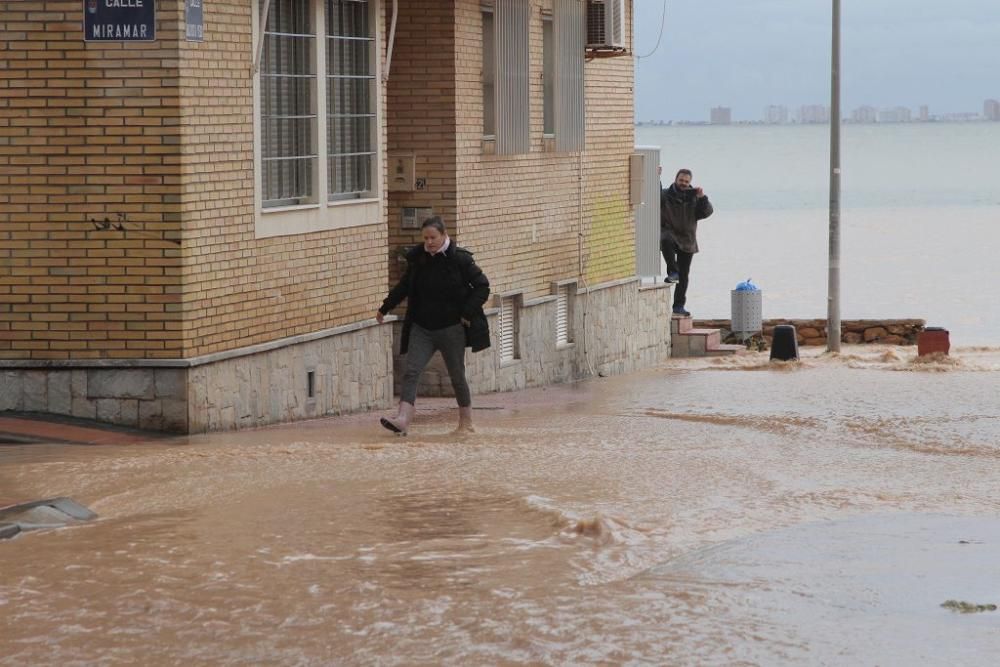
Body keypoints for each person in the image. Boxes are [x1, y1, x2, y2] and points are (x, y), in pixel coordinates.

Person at [375, 216, 491, 435]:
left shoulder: (460, 260)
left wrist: (467, 312)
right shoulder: (418, 258)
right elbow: (405, 286)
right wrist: (385, 307)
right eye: (425, 238)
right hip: (422, 328)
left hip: (451, 328)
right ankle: (402, 420)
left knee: (456, 375)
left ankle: (466, 423)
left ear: (444, 235)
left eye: (433, 237)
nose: (429, 242)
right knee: (411, 371)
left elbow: (482, 287)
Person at [660, 168, 714, 317]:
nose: (683, 184)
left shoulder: (694, 197)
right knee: (665, 239)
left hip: (687, 239)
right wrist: (655, 177)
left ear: (690, 182)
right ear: (675, 180)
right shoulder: (665, 195)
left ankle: (678, 306)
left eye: (686, 182)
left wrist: (702, 197)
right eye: (681, 180)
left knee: (684, 275)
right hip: (669, 233)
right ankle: (672, 270)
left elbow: (707, 212)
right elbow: (653, 196)